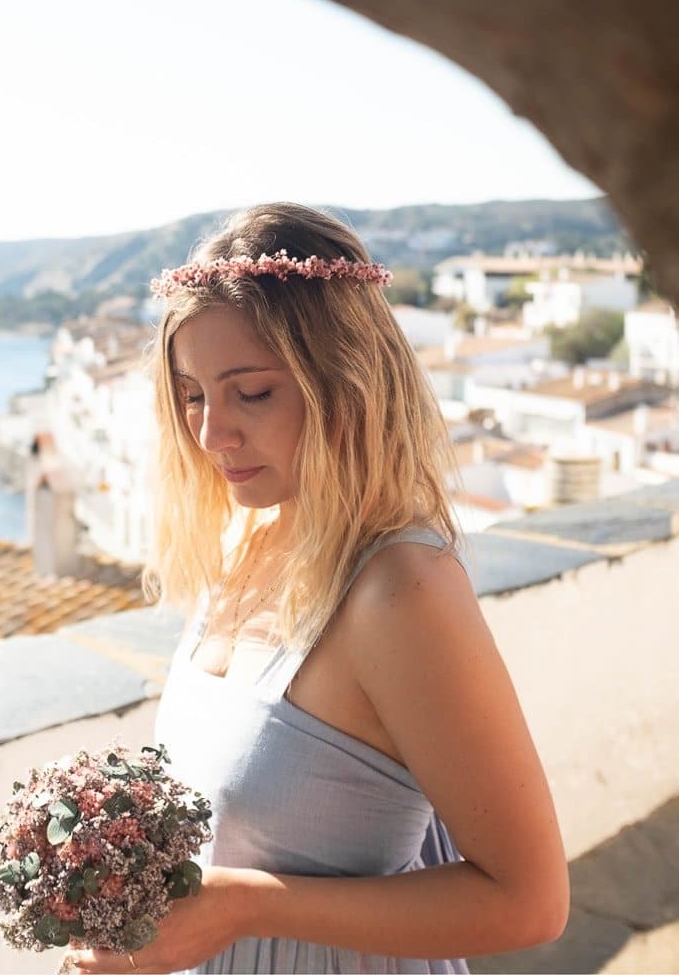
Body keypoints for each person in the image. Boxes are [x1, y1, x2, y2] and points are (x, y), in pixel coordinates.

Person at [67, 203, 569, 975]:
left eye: (253, 392)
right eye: (193, 394)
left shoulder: (402, 589)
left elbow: (529, 901)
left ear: (347, 383)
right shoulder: (246, 539)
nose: (211, 434)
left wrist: (246, 908)